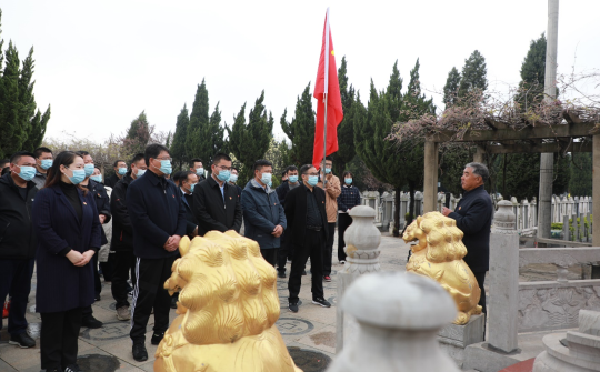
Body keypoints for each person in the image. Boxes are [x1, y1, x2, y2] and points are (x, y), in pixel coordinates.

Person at [32, 151, 101, 372]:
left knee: (74, 318)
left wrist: (91, 251)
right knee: (54, 319)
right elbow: (43, 228)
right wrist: (67, 251)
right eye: (79, 166)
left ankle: (70, 362)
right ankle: (52, 366)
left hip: (82, 264)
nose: (84, 170)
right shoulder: (46, 195)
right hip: (56, 265)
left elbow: (94, 228)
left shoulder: (86, 195)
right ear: (63, 168)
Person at [127, 143, 186, 362]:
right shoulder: (138, 187)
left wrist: (178, 236)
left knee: (165, 296)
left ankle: (160, 334)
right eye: (165, 158)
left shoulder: (171, 186)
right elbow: (140, 219)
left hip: (170, 253)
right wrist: (163, 239)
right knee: (144, 297)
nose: (169, 162)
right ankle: (137, 340)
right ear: (152, 161)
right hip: (150, 252)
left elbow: (182, 214)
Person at [441, 162, 493, 316]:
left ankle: (479, 333)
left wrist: (451, 214)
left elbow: (469, 225)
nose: (462, 177)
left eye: (467, 174)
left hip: (473, 257)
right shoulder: (471, 197)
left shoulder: (481, 200)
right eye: (463, 174)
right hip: (463, 255)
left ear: (479, 179)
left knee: (475, 295)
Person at [0, 151, 38, 349]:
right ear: (13, 167)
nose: (31, 168)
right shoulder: (2, 188)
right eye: (26, 164)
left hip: (28, 252)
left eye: (33, 165)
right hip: (4, 254)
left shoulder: (34, 190)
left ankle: (18, 331)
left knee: (21, 295)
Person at [284, 165, 331, 313]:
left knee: (318, 268)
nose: (315, 176)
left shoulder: (319, 192)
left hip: (318, 234)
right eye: (312, 174)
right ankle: (293, 298)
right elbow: (288, 215)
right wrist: (296, 233)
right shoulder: (295, 194)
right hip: (303, 236)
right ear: (303, 176)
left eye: (316, 174)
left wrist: (325, 233)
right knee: (297, 268)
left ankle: (317, 296)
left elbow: (322, 213)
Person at [109, 153, 146, 322]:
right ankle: (122, 304)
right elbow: (121, 214)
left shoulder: (149, 186)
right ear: (133, 167)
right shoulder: (120, 187)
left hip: (144, 240)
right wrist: (142, 230)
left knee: (140, 275)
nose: (145, 171)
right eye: (143, 168)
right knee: (121, 275)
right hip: (124, 240)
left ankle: (140, 304)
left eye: (147, 168)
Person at [78, 150, 111, 329]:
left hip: (93, 238)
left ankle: (86, 312)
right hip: (74, 241)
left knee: (90, 274)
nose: (89, 165)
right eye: (84, 162)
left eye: (91, 162)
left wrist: (103, 215)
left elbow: (106, 207)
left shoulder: (96, 187)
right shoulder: (68, 189)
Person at [241, 160, 287, 267]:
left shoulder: (272, 192)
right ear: (257, 172)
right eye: (266, 171)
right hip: (258, 242)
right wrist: (272, 228)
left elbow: (281, 211)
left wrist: (281, 226)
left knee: (270, 275)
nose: (269, 174)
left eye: (270, 171)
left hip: (274, 242)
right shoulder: (248, 192)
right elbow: (253, 216)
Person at [192, 153, 242, 236]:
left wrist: (234, 231)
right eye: (223, 167)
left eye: (229, 168)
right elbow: (201, 214)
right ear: (213, 167)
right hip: (210, 238)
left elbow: (238, 212)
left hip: (231, 238)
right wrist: (223, 230)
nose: (226, 171)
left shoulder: (233, 189)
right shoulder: (201, 188)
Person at [317, 157, 341, 282]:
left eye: (330, 164)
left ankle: (326, 271)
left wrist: (328, 185)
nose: (328, 166)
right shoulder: (314, 178)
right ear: (320, 164)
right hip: (316, 216)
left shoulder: (335, 179)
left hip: (330, 217)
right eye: (325, 164)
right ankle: (317, 270)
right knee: (316, 245)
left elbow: (336, 194)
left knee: (328, 245)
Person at [275, 165, 300, 278]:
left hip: (299, 219)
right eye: (291, 174)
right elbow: (277, 202)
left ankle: (300, 266)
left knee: (298, 245)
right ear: (287, 175)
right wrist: (288, 201)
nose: (293, 176)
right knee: (284, 245)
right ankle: (281, 268)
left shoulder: (302, 186)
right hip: (286, 219)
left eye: (295, 173)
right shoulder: (282, 187)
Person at [337, 171, 361, 263]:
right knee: (342, 236)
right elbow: (339, 202)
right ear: (343, 178)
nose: (348, 178)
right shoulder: (340, 189)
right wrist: (347, 209)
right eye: (347, 176)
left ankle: (350, 255)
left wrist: (354, 210)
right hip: (343, 214)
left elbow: (358, 201)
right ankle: (341, 257)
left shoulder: (355, 190)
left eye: (350, 176)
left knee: (351, 236)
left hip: (353, 216)